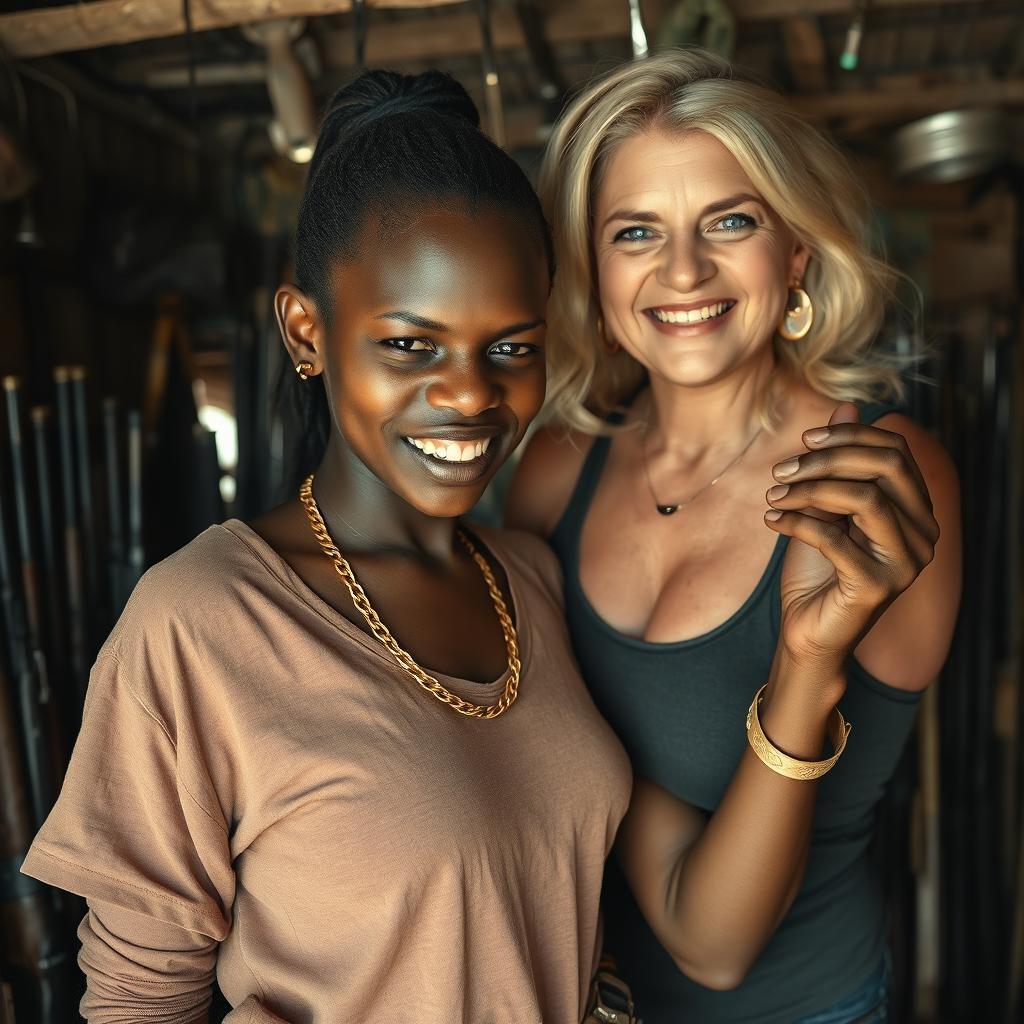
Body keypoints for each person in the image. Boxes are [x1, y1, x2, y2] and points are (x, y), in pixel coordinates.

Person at [23, 68, 939, 1024]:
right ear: (306, 331)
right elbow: (136, 1003)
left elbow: (683, 922)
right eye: (411, 345)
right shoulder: (199, 623)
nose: (468, 394)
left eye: (510, 346)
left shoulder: (531, 581)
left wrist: (807, 658)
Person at [508, 49, 961, 1024]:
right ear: (591, 263)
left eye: (730, 220)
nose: (682, 271)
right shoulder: (553, 471)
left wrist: (806, 658)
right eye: (636, 231)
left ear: (795, 249)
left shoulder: (878, 478)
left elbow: (716, 945)